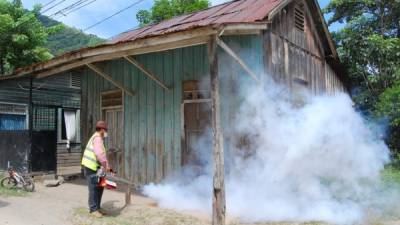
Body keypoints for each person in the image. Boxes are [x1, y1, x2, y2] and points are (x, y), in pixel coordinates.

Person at [81, 120, 110, 218]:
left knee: (100, 186)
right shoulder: (97, 138)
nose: (106, 133)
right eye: (105, 130)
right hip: (91, 167)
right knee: (93, 188)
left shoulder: (98, 137)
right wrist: (105, 166)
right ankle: (93, 209)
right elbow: (99, 154)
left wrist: (107, 167)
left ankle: (98, 207)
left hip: (97, 168)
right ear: (101, 130)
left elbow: (103, 155)